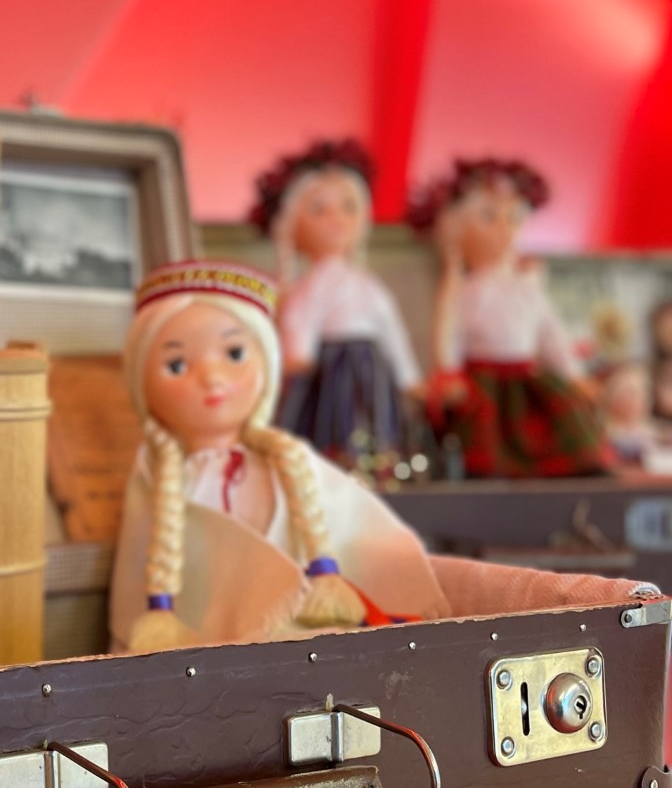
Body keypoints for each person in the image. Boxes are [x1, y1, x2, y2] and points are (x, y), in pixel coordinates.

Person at [109, 260, 448, 654]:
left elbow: (362, 536)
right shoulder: (157, 475)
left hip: (300, 636)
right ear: (141, 382)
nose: (212, 378)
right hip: (203, 646)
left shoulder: (287, 460)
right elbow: (137, 577)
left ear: (266, 363)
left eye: (234, 353)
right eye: (177, 365)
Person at [409, 158, 610, 478]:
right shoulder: (464, 290)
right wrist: (448, 373)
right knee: (482, 443)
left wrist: (573, 374)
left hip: (529, 381)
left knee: (567, 421)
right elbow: (450, 333)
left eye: (513, 218)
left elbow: (551, 333)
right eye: (489, 217)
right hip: (483, 385)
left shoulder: (527, 287)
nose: (504, 228)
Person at [250, 139, 422, 465]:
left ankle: (377, 461)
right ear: (292, 224)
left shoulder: (368, 284)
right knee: (330, 425)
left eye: (348, 207)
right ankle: (340, 461)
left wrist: (408, 377)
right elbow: (300, 320)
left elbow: (391, 329)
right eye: (319, 209)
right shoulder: (311, 285)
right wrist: (298, 355)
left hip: (372, 366)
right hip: (330, 369)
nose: (336, 218)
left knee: (377, 422)